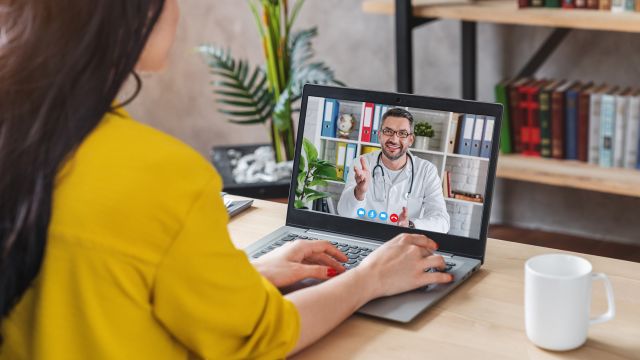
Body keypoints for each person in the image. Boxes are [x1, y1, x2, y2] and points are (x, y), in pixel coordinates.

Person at [0, 1, 453, 358]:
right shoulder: (162, 175)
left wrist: (246, 276)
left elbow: (94, 284)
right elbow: (258, 337)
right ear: (129, 16)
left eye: (402, 133)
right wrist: (369, 277)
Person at [337, 108, 450, 233]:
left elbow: (442, 222)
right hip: (366, 237)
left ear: (411, 140)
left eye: (402, 133)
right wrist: (359, 192)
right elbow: (344, 213)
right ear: (379, 135)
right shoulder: (362, 164)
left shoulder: (426, 171)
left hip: (404, 242)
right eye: (388, 131)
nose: (394, 139)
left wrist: (410, 225)